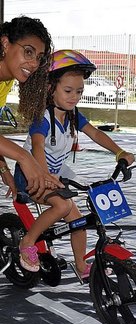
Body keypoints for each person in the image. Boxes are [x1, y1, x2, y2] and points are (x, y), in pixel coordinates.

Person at [14, 49, 135, 278]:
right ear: (51, 89)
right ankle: (27, 242)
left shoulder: (72, 115)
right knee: (62, 206)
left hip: (56, 173)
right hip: (31, 173)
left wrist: (119, 152)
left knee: (78, 220)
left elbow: (96, 134)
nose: (74, 97)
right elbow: (38, 147)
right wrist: (45, 176)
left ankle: (81, 266)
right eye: (68, 91)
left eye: (79, 91)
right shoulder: (43, 118)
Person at [0, 15, 63, 199]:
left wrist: (4, 170)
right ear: (5, 44)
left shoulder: (5, 82)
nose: (34, 63)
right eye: (28, 52)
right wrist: (24, 157)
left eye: (39, 58)